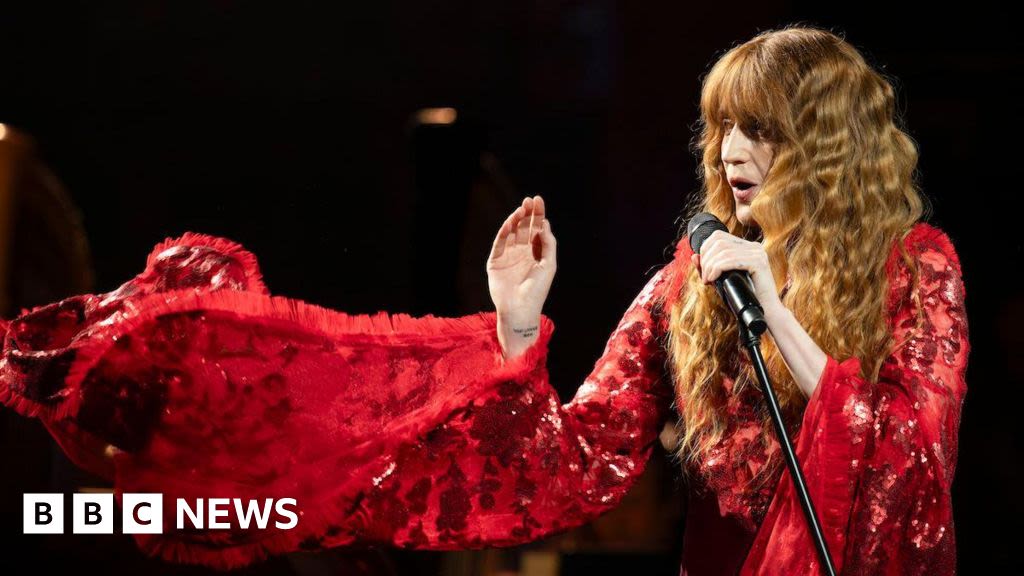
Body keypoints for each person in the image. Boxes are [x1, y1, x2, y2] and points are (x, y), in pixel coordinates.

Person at [0, 25, 968, 575]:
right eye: (720, 128)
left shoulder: (917, 268)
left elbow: (909, 452)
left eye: (756, 129)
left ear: (827, 143)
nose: (727, 155)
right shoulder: (694, 278)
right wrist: (513, 323)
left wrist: (777, 306)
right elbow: (575, 461)